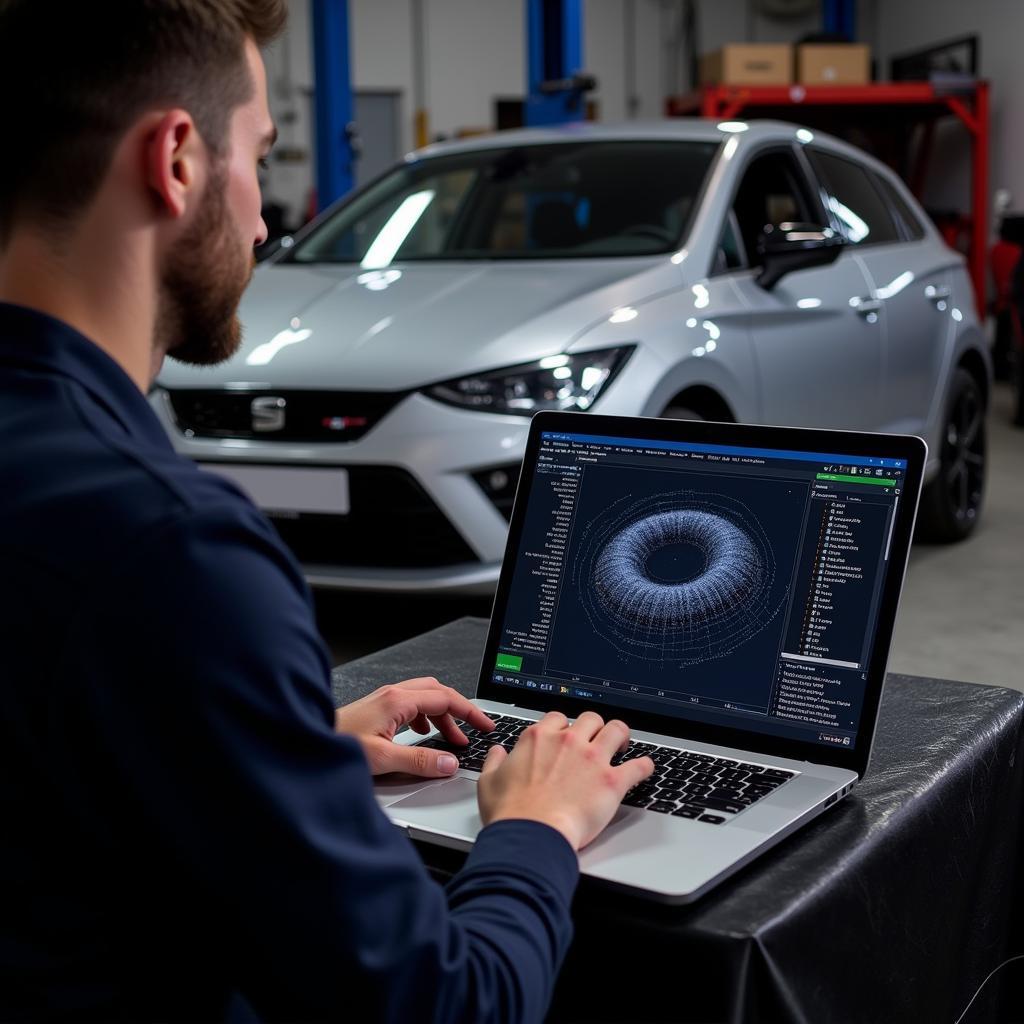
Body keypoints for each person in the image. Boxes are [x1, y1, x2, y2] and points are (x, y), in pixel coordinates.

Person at [0, 2, 655, 1020]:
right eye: (259, 155)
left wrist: (265, 752)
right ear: (176, 160)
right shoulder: (172, 550)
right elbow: (446, 1006)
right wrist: (535, 824)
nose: (263, 221)